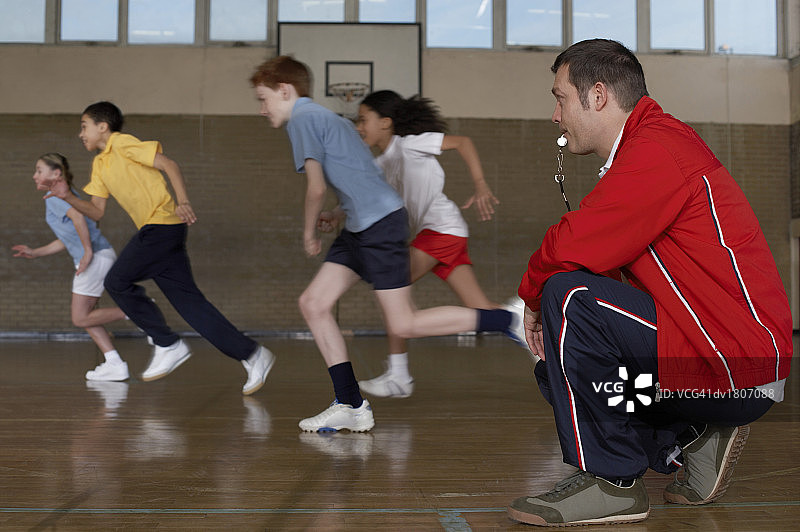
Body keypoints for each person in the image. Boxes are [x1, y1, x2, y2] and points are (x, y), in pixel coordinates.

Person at [507, 39, 792, 526]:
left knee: (568, 296)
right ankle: (693, 440)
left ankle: (612, 483)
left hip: (733, 361)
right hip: (718, 359)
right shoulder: (648, 147)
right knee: (558, 366)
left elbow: (574, 244)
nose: (556, 115)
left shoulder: (657, 147)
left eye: (560, 98)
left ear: (597, 96)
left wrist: (532, 297)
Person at [249, 56, 525, 432]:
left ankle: (507, 319)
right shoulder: (333, 121)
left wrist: (309, 232)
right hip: (365, 226)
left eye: (263, 99)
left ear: (285, 90)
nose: (262, 109)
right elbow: (361, 178)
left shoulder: (302, 119)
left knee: (404, 323)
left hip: (381, 227)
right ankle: (350, 402)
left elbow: (315, 187)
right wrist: (340, 212)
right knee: (313, 303)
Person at [45, 102, 274, 395]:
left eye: (84, 126)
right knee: (192, 305)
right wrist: (66, 197)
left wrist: (183, 201)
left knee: (116, 281)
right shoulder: (100, 164)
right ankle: (253, 354)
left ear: (103, 127)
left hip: (162, 225)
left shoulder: (123, 144)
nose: (81, 134)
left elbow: (169, 164)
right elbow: (97, 211)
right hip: (158, 232)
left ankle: (167, 343)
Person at [354, 90, 522, 398]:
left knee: (390, 285)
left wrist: (481, 184)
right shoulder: (381, 164)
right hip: (443, 233)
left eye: (364, 120)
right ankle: (528, 323)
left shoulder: (409, 144)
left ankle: (399, 375)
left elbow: (463, 142)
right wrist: (334, 213)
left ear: (386, 122)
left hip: (442, 231)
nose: (358, 126)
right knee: (481, 309)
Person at [13, 153, 129, 381]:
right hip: (97, 256)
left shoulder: (55, 196)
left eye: (39, 170)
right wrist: (35, 252)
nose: (34, 175)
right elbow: (67, 238)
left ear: (56, 174)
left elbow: (77, 219)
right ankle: (114, 362)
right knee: (87, 316)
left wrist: (87, 252)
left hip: (94, 258)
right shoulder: (62, 196)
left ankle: (138, 311)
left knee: (79, 318)